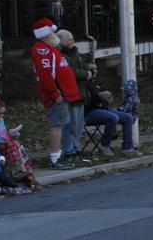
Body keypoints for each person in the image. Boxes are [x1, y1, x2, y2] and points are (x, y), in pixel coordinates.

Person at [31, 18, 80, 169]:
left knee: (62, 124)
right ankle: (55, 159)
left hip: (64, 94)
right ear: (45, 34)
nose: (55, 34)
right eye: (52, 31)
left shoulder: (51, 48)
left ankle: (60, 155)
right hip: (58, 95)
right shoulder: (42, 50)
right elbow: (45, 75)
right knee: (57, 126)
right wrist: (54, 93)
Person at [57, 29, 94, 164]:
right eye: (69, 40)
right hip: (71, 94)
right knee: (71, 125)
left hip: (81, 93)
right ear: (61, 41)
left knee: (79, 124)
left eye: (72, 39)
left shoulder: (74, 53)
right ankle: (68, 150)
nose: (72, 42)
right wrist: (86, 74)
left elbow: (80, 65)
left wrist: (88, 67)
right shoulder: (61, 55)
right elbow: (70, 72)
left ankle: (75, 147)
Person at [84, 80, 138, 157]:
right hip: (91, 111)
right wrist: (99, 96)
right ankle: (105, 146)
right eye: (93, 69)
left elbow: (103, 98)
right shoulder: (84, 84)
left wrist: (108, 99)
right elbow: (87, 100)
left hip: (104, 109)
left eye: (95, 69)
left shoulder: (95, 83)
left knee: (128, 117)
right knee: (113, 117)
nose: (94, 71)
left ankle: (127, 147)